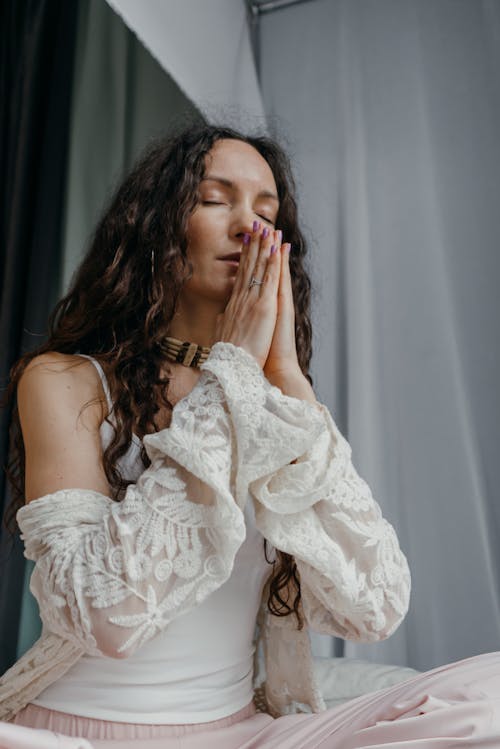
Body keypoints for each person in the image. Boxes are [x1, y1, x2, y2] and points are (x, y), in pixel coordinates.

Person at [0, 121, 499, 749]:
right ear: (152, 230)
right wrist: (231, 371)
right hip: (90, 732)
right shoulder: (64, 380)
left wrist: (285, 376)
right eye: (214, 200)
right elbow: (103, 618)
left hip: (237, 734)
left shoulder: (271, 396)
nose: (249, 227)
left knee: (491, 698)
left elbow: (375, 605)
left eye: (267, 212)